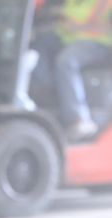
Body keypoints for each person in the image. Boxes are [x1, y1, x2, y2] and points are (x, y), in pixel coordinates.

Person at [30, 0, 112, 140]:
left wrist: (78, 27)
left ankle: (79, 119)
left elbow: (105, 27)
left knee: (67, 61)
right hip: (68, 38)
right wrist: (57, 15)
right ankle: (42, 103)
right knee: (37, 45)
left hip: (98, 42)